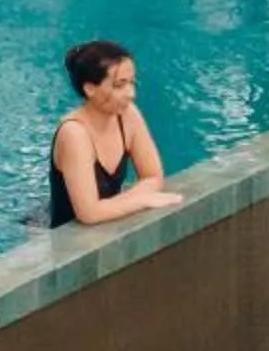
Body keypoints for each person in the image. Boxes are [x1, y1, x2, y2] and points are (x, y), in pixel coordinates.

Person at [49, 39, 182, 227]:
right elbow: (89, 214)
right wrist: (141, 200)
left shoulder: (128, 114)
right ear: (90, 89)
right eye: (119, 85)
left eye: (131, 82)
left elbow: (153, 176)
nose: (131, 94)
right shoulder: (74, 133)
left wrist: (117, 203)